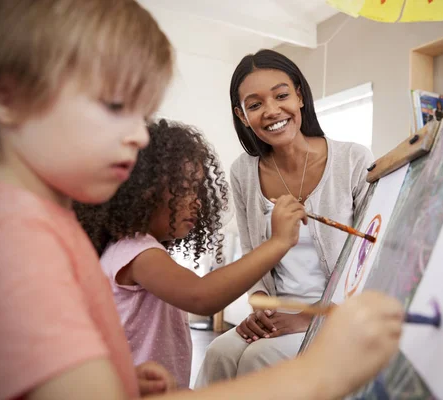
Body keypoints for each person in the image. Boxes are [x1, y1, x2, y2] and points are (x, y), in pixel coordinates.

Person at [0, 2, 403, 399]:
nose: (140, 136)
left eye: (141, 114)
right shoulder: (17, 240)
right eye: (113, 105)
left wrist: (118, 382)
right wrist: (322, 371)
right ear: (4, 95)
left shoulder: (44, 225)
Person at [74, 119, 308, 389]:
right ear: (145, 193)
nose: (197, 200)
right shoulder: (136, 252)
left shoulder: (134, 250)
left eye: (198, 190)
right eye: (186, 189)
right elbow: (202, 296)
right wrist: (278, 242)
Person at [196, 49, 375, 386]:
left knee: (258, 358)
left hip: (336, 313)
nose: (272, 111)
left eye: (281, 95)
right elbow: (253, 256)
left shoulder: (352, 159)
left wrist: (310, 319)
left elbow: (369, 259)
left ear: (300, 96)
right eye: (255, 104)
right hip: (278, 312)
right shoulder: (243, 173)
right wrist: (260, 310)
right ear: (242, 115)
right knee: (219, 353)